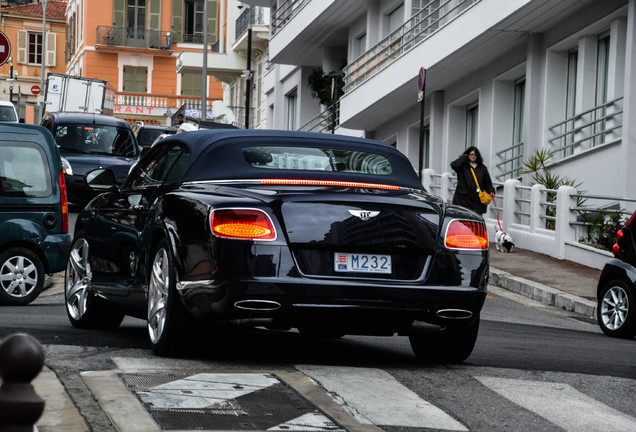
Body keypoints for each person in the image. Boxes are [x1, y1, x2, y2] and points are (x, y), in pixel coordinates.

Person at [450, 146, 495, 214]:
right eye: (471, 154)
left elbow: (487, 182)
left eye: (475, 155)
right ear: (468, 155)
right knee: (462, 220)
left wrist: (491, 191)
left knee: (475, 221)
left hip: (477, 200)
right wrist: (464, 157)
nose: (473, 156)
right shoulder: (462, 166)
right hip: (463, 199)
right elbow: (453, 165)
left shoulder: (482, 168)